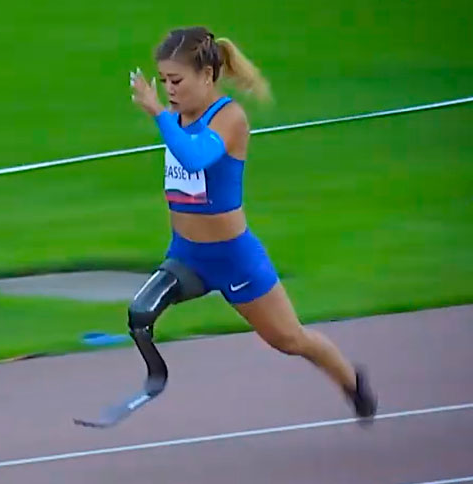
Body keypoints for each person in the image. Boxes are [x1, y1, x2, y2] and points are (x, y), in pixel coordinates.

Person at [127, 26, 377, 421]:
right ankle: (155, 379)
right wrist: (165, 114)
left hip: (233, 258)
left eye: (176, 80)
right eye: (163, 82)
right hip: (187, 255)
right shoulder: (175, 117)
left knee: (289, 340)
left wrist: (157, 112)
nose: (168, 90)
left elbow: (196, 157)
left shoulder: (230, 118)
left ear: (207, 75)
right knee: (139, 314)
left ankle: (351, 382)